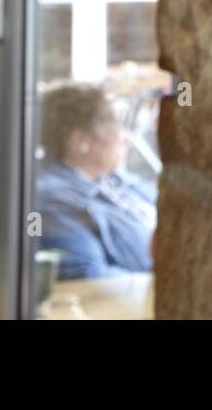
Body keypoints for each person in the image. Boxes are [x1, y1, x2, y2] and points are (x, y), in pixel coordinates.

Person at [35, 82, 156, 280]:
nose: (127, 137)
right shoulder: (52, 200)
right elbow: (88, 277)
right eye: (116, 125)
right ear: (81, 140)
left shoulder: (117, 180)